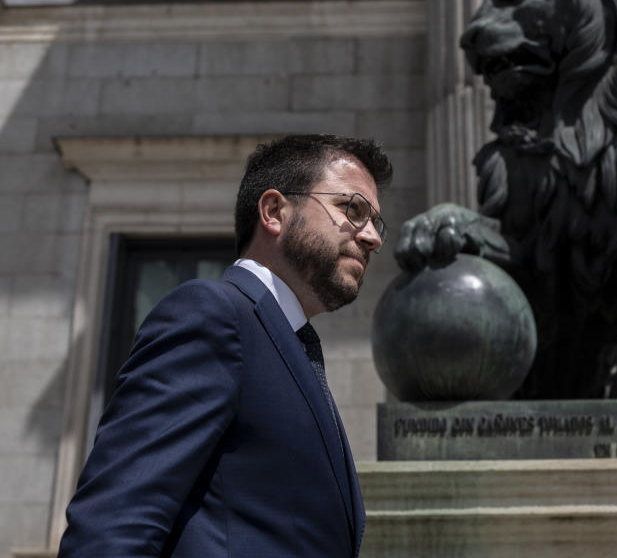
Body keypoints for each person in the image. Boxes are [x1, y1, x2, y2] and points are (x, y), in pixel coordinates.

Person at [58, 135, 392, 557]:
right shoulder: (212, 314)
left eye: (376, 223)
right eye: (353, 210)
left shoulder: (291, 342)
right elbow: (112, 526)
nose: (372, 238)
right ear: (274, 212)